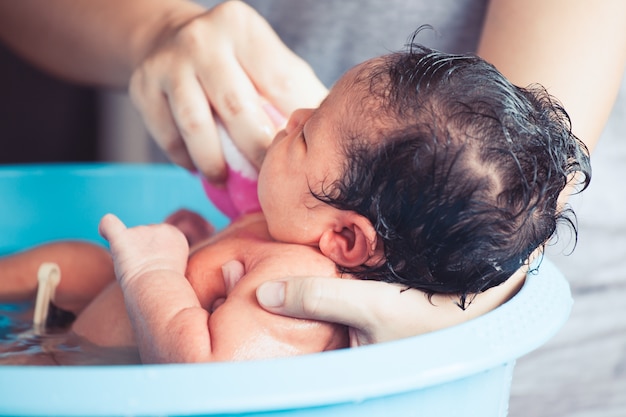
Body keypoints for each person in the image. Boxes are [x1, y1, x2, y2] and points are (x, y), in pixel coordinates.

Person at [0, 1, 624, 413]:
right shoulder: (292, 229)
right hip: (102, 323)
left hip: (90, 365)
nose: (294, 114)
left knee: (76, 271)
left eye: (305, 133)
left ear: (346, 241)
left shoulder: (296, 291)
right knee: (73, 262)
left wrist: (152, 274)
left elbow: (203, 367)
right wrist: (192, 243)